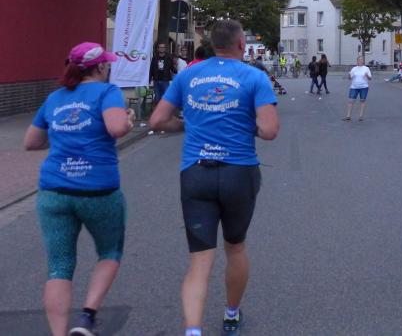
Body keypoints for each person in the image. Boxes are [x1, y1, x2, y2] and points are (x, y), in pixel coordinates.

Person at [149, 20, 279, 336]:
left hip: (196, 173)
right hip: (238, 173)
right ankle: (231, 315)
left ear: (211, 44)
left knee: (199, 261)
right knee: (235, 248)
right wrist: (247, 126)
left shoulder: (188, 75)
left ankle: (193, 330)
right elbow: (269, 131)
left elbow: (157, 120)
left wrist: (186, 125)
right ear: (241, 45)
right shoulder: (254, 77)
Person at [24, 42, 135, 336]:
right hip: (98, 190)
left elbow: (31, 142)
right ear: (99, 67)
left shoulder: (55, 98)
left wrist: (64, 139)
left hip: (53, 191)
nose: (108, 67)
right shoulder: (108, 92)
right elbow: (116, 128)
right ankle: (86, 317)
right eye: (106, 63)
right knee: (110, 251)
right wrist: (128, 120)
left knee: (59, 266)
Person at [343, 57, 372, 121]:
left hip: (364, 87)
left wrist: (367, 75)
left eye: (361, 60)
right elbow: (350, 78)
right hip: (354, 87)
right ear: (357, 61)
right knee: (351, 101)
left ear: (363, 61)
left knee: (362, 101)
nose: (360, 61)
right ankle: (348, 116)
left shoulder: (366, 68)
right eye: (359, 60)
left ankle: (361, 116)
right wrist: (349, 75)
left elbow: (370, 78)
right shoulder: (354, 69)